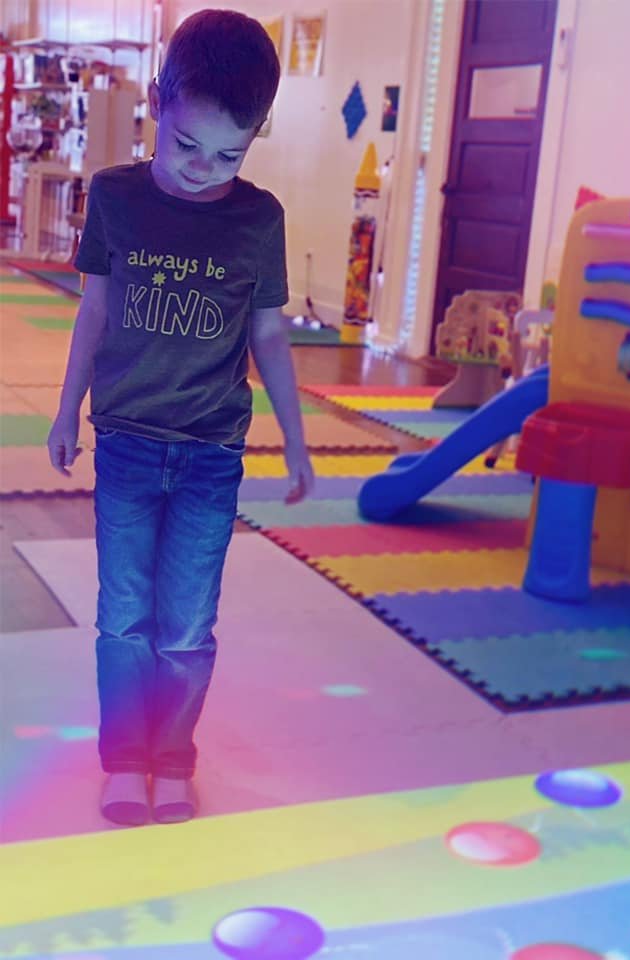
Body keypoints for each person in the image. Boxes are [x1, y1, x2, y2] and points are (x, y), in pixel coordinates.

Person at [47, 9, 314, 827]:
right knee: (124, 617)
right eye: (185, 146)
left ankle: (174, 755)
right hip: (126, 444)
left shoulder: (257, 220)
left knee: (188, 626)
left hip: (209, 454)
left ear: (257, 133)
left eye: (229, 154)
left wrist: (298, 445)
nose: (204, 170)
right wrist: (67, 410)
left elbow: (268, 336)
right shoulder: (117, 199)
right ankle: (126, 757)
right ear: (157, 103)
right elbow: (93, 310)